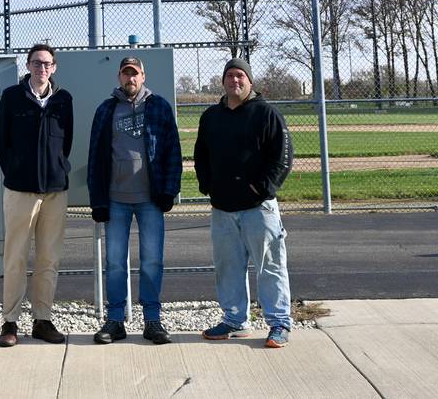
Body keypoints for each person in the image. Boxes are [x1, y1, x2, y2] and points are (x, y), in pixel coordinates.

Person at [193, 56, 293, 348]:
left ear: (250, 81)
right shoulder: (211, 116)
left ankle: (279, 323)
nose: (235, 81)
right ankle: (235, 321)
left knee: (270, 266)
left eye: (240, 76)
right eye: (230, 76)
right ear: (223, 81)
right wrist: (207, 185)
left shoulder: (267, 114)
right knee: (228, 267)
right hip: (223, 208)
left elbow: (282, 158)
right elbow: (201, 154)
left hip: (258, 208)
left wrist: (262, 188)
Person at [87, 56, 182, 345]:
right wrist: (98, 200)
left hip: (150, 200)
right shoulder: (106, 110)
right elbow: (95, 158)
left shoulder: (159, 106)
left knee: (152, 261)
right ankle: (115, 320)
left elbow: (172, 153)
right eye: (126, 74)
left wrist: (169, 191)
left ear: (143, 75)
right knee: (115, 261)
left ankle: (152, 320)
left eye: (135, 74)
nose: (131, 79)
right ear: (119, 77)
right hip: (116, 199)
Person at [0, 43, 73, 347]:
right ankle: (10, 323)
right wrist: (15, 171)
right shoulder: (13, 97)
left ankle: (42, 320)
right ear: (28, 66)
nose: (42, 68)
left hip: (54, 191)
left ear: (54, 67)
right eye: (37, 63)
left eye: (47, 64)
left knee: (48, 259)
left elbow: (66, 142)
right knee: (15, 258)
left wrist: (58, 169)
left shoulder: (64, 100)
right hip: (20, 191)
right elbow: (0, 142)